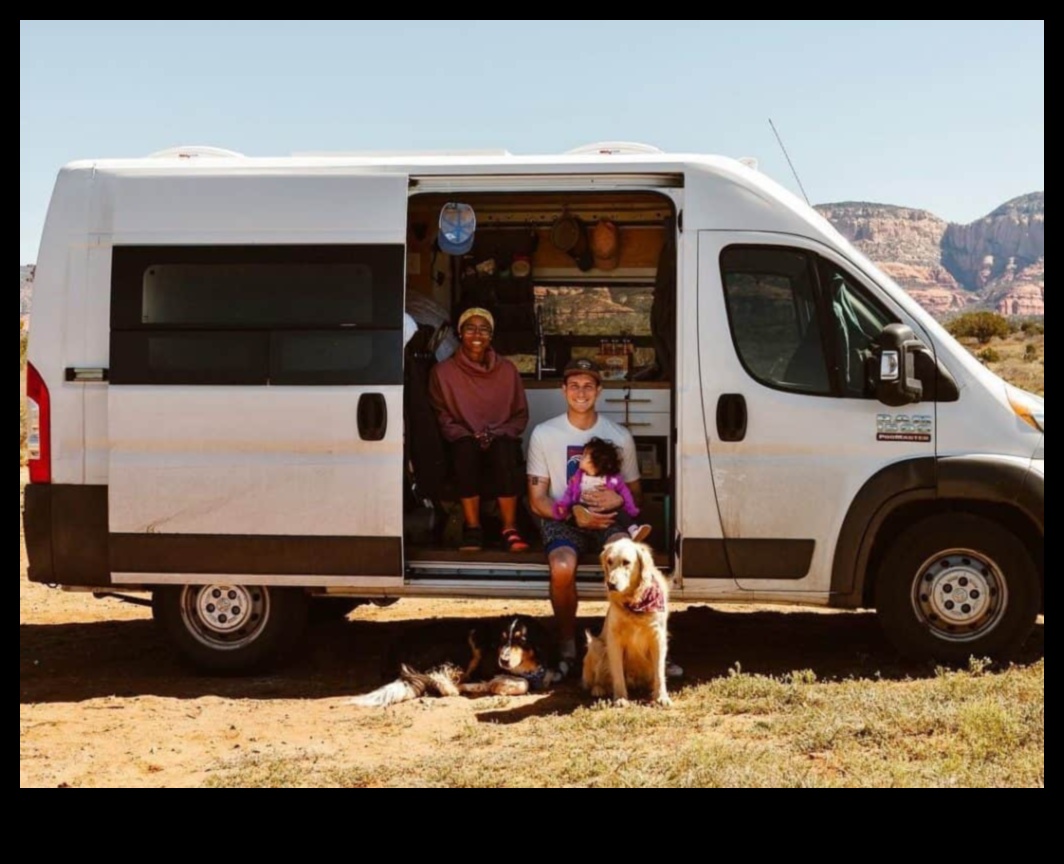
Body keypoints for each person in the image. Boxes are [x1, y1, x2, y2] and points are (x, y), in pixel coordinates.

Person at [526, 358, 681, 679]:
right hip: (564, 519)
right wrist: (573, 514)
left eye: (588, 386)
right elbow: (537, 499)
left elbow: (636, 493)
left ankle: (644, 647)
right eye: (573, 385)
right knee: (562, 566)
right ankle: (568, 641)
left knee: (629, 561)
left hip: (610, 519)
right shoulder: (544, 434)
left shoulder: (618, 436)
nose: (580, 392)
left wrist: (617, 499)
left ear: (599, 390)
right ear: (563, 389)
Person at [428, 307, 531, 553]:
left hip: (500, 437)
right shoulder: (442, 372)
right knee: (465, 451)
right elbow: (441, 415)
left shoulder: (507, 370)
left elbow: (520, 415)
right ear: (460, 333)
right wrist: (465, 435)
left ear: (491, 336)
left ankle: (509, 528)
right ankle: (473, 528)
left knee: (504, 449)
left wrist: (497, 433)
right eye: (470, 328)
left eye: (484, 329)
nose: (477, 334)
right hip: (463, 439)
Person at [551, 437, 652, 544]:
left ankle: (634, 530)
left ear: (595, 462)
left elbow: (625, 493)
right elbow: (569, 493)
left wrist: (630, 507)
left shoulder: (612, 479)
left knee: (621, 514)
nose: (581, 457)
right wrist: (563, 505)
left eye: (585, 456)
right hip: (584, 507)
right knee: (578, 507)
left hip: (607, 511)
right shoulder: (578, 478)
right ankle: (585, 515)